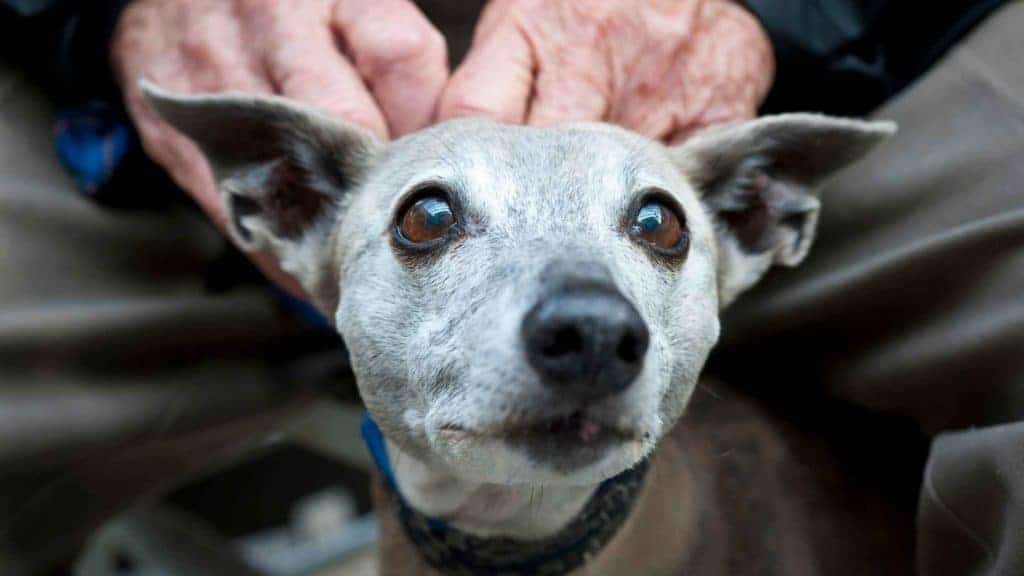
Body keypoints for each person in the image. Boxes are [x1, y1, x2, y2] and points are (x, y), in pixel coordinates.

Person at [0, 0, 1019, 573]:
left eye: (657, 230)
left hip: (838, 55)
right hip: (191, 91)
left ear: (758, 223)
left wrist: (785, 17)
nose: (589, 332)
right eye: (432, 219)